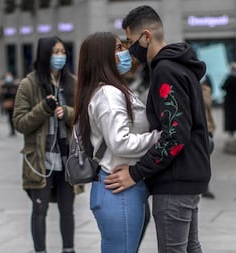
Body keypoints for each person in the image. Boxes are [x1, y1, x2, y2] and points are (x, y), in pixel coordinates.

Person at [104, 6, 211, 252]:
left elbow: (175, 134)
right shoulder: (179, 66)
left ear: (146, 36)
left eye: (130, 42)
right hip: (188, 175)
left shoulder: (166, 71)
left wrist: (136, 172)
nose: (130, 49)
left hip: (175, 180)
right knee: (190, 247)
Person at [73, 31, 159, 253]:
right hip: (118, 188)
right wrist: (158, 137)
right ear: (103, 57)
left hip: (121, 187)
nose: (126, 52)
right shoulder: (109, 94)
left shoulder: (111, 89)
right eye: (119, 48)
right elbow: (120, 142)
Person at [13, 36, 76, 253]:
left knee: (68, 210)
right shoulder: (28, 84)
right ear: (44, 54)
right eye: (54, 52)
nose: (60, 56)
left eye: (62, 52)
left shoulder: (72, 83)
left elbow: (85, 117)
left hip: (68, 159)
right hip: (40, 159)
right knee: (39, 210)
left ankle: (69, 249)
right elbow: (20, 123)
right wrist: (43, 109)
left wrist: (66, 112)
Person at [201, 76, 216, 199]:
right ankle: (204, 187)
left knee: (205, 160)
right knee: (202, 159)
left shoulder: (205, 91)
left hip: (207, 127)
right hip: (202, 128)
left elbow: (207, 105)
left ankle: (205, 187)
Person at [222, 63, 236, 138]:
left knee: (230, 116)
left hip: (229, 100)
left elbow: (223, 87)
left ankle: (231, 131)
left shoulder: (229, 78)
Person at [0, 72, 18, 136]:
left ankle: (14, 129)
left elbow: (16, 93)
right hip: (8, 103)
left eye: (9, 76)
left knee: (14, 117)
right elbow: (2, 94)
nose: (8, 78)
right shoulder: (4, 85)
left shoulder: (15, 84)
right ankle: (12, 130)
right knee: (10, 117)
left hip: (14, 103)